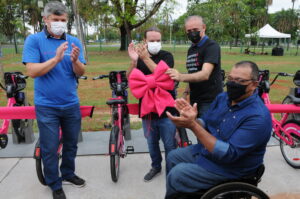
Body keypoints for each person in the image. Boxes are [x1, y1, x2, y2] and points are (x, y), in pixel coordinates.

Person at [165, 61, 272, 198]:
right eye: (231, 79)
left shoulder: (258, 117)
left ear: (254, 84)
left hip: (231, 168)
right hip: (208, 153)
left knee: (177, 175)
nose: (233, 84)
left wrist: (193, 125)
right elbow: (206, 123)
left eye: (240, 81)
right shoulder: (223, 98)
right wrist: (192, 119)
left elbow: (228, 154)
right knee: (172, 156)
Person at [22, 1, 86, 199]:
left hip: (70, 104)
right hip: (47, 106)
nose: (59, 23)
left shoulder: (74, 41)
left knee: (71, 144)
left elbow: (82, 71)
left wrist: (75, 61)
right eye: (55, 20)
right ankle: (54, 183)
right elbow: (32, 71)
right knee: (49, 148)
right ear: (46, 20)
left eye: (63, 20)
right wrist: (56, 59)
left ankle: (67, 173)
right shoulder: (34, 40)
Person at [127, 27, 177, 182]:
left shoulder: (167, 56)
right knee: (151, 142)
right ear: (145, 41)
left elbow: (165, 75)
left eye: (158, 40)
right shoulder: (139, 59)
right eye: (152, 40)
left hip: (167, 110)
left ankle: (172, 170)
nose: (155, 43)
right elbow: (130, 79)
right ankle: (156, 166)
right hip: (148, 110)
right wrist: (134, 61)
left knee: (170, 144)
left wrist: (146, 58)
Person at [166, 15, 223, 118]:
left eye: (195, 29)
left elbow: (205, 74)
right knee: (198, 130)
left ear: (204, 27)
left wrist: (180, 76)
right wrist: (185, 93)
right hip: (195, 99)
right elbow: (192, 73)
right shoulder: (191, 49)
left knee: (207, 132)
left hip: (210, 101)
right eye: (189, 30)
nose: (192, 33)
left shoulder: (211, 46)